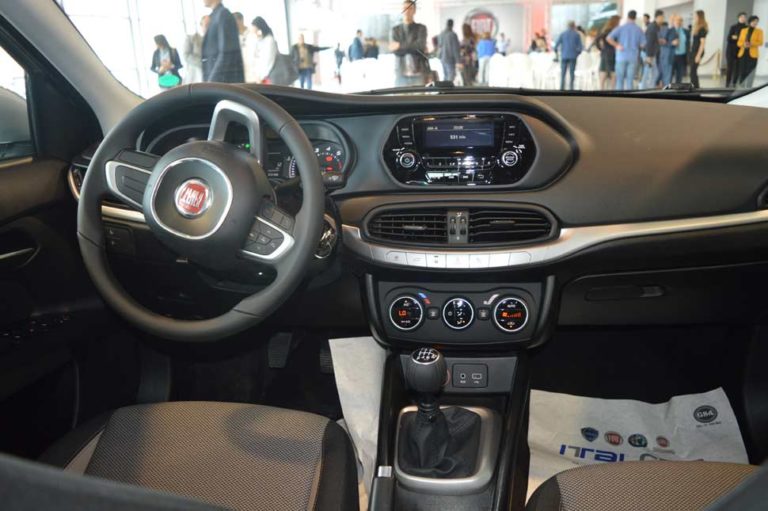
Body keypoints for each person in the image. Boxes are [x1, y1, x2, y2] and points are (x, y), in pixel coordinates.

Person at [201, 0, 244, 83]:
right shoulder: (214, 16)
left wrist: (212, 82)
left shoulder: (223, 15)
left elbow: (226, 53)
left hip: (223, 81)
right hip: (218, 80)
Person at [390, 0, 429, 87]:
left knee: (420, 96)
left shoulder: (421, 28)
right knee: (400, 96)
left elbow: (420, 46)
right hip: (401, 73)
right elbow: (396, 51)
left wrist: (400, 45)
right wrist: (413, 46)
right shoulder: (395, 30)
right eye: (404, 8)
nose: (407, 11)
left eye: (410, 8)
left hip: (419, 72)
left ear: (414, 11)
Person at [607, 10, 645, 90]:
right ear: (635, 18)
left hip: (621, 56)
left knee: (619, 80)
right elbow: (643, 44)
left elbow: (608, 38)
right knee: (630, 80)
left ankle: (619, 96)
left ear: (627, 17)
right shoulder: (639, 29)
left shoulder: (621, 28)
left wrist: (617, 45)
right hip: (633, 57)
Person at [247, 16, 278, 84]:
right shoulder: (258, 41)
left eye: (254, 29)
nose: (253, 31)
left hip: (266, 78)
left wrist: (261, 77)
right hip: (259, 78)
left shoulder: (269, 40)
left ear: (260, 29)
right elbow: (254, 58)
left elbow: (268, 61)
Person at [555, 21, 583, 91]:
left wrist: (557, 54)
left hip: (564, 56)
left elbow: (556, 46)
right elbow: (580, 47)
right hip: (573, 56)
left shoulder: (563, 34)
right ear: (574, 26)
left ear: (567, 26)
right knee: (572, 73)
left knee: (563, 73)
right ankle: (571, 89)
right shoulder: (576, 34)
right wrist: (577, 53)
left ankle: (562, 88)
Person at [737, 15, 763, 89]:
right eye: (753, 21)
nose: (755, 23)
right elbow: (739, 43)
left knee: (750, 72)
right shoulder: (743, 30)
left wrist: (751, 43)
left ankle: (749, 88)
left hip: (753, 55)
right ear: (750, 22)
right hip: (743, 54)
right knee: (742, 71)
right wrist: (744, 44)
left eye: (756, 21)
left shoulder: (759, 31)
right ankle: (741, 87)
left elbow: (760, 42)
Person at [595, 15, 619, 90]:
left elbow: (597, 40)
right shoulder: (615, 31)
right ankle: (612, 90)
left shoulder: (605, 30)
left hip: (605, 53)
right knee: (613, 73)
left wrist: (600, 48)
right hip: (613, 53)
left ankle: (601, 90)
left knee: (603, 71)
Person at [641, 10, 664, 89]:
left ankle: (648, 87)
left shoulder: (656, 27)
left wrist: (659, 41)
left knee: (653, 72)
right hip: (648, 53)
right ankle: (644, 88)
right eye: (662, 17)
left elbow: (653, 40)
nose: (663, 19)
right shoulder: (652, 27)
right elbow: (649, 42)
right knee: (649, 72)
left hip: (651, 53)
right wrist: (649, 56)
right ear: (658, 17)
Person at [183, 15, 208, 84]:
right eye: (206, 25)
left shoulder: (215, 40)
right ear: (201, 25)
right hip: (195, 74)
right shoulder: (191, 38)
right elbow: (186, 55)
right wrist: (203, 64)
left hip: (210, 75)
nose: (208, 27)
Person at [726, 13, 748, 87]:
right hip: (731, 50)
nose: (743, 18)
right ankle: (727, 83)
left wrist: (736, 37)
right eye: (741, 17)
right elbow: (729, 38)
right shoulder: (733, 27)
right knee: (730, 67)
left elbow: (746, 39)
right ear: (738, 18)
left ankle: (734, 83)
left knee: (738, 68)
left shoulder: (747, 28)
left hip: (741, 50)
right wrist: (739, 38)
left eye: (744, 17)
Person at [689, 10, 708, 89]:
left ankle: (696, 88)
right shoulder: (697, 27)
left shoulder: (702, 29)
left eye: (696, 16)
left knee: (693, 72)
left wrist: (698, 55)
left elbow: (702, 43)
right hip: (694, 51)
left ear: (699, 17)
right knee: (692, 72)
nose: (694, 17)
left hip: (697, 52)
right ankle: (695, 87)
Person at [658, 21, 677, 87]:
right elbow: (674, 43)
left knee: (665, 73)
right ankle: (665, 87)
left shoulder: (662, 31)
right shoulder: (672, 31)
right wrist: (671, 43)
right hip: (667, 56)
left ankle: (664, 86)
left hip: (664, 55)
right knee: (667, 74)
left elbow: (675, 42)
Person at [671, 14, 689, 84]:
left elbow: (688, 44)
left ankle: (677, 88)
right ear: (674, 21)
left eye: (680, 20)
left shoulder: (686, 31)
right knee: (670, 75)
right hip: (672, 55)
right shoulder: (670, 31)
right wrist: (671, 43)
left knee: (680, 75)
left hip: (682, 56)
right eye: (677, 20)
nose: (678, 22)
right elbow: (665, 42)